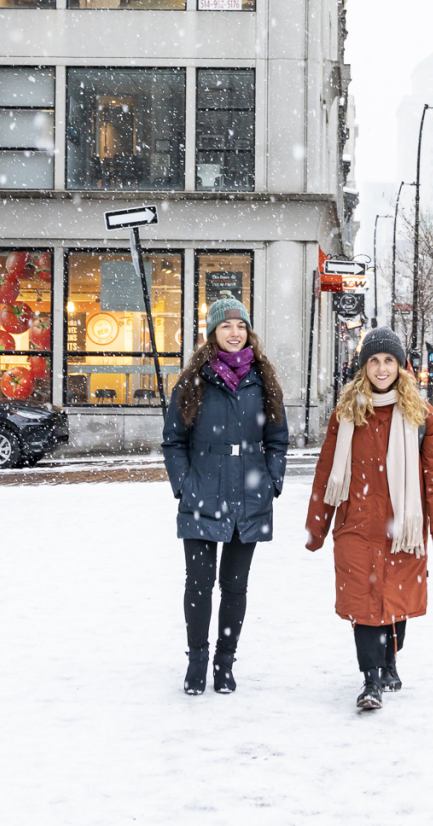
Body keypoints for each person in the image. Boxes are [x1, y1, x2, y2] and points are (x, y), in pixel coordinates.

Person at [305, 327, 433, 711]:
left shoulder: (421, 415)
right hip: (356, 523)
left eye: (389, 360)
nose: (382, 368)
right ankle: (370, 678)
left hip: (402, 527)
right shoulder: (347, 412)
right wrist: (317, 526)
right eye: (374, 360)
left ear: (400, 365)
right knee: (364, 603)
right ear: (363, 367)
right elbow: (327, 471)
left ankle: (390, 660)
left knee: (394, 601)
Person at [162, 298, 289, 696]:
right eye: (225, 326)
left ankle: (225, 662)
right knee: (198, 583)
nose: (234, 332)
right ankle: (197, 661)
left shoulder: (263, 378)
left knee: (235, 586)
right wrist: (184, 484)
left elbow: (277, 441)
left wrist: (272, 481)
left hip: (250, 497)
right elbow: (173, 441)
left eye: (240, 325)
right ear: (213, 334)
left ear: (248, 331)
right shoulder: (193, 380)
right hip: (202, 492)